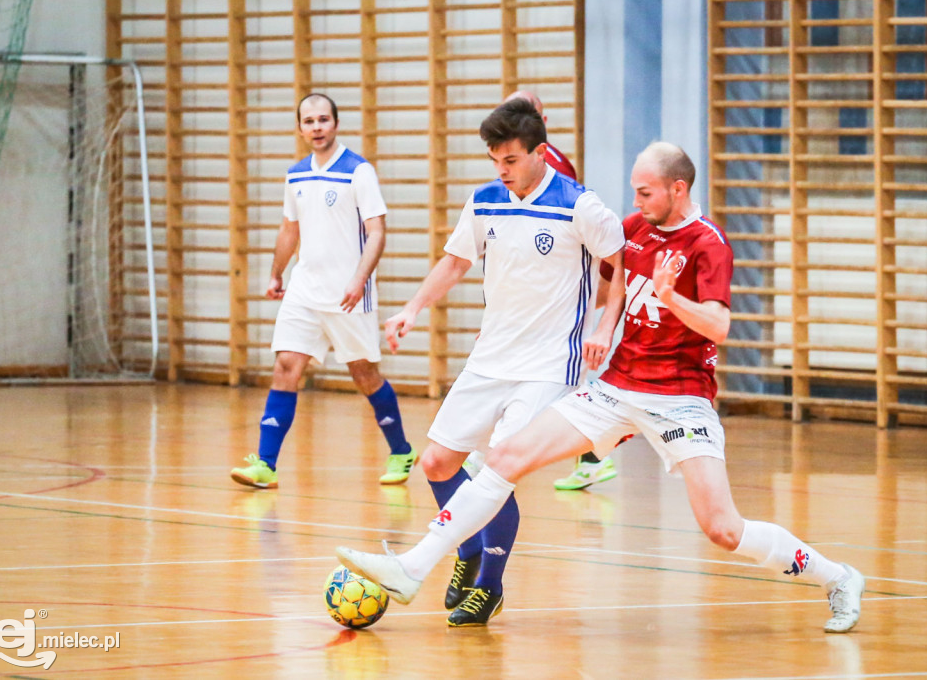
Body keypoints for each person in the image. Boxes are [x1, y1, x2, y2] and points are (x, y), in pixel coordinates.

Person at [336, 142, 866, 634]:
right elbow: (615, 284)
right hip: (616, 388)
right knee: (504, 458)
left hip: (680, 398)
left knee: (723, 529)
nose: (633, 200)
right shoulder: (635, 227)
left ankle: (837, 577)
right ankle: (412, 567)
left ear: (676, 189)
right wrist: (605, 326)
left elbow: (719, 327)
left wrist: (671, 298)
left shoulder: (709, 244)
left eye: (644, 190)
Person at [378, 97, 626, 626]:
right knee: (437, 463)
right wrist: (412, 308)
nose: (501, 170)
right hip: (490, 357)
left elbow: (619, 261)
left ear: (540, 154)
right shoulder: (487, 199)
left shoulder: (579, 205)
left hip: (546, 367)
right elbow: (456, 261)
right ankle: (466, 550)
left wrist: (605, 325)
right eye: (495, 161)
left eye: (510, 160)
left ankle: (489, 587)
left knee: (499, 467)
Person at [231, 93, 415, 489]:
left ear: (335, 123)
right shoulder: (295, 174)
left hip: (350, 294)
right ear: (299, 128)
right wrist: (276, 273)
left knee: (364, 374)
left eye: (323, 120)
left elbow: (378, 231)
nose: (316, 127)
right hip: (305, 290)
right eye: (309, 121)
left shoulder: (358, 172)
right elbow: (289, 229)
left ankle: (401, 450)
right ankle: (265, 464)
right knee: (285, 368)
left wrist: (359, 278)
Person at [503, 89, 620, 493]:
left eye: (525, 113)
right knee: (552, 372)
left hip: (566, 284)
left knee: (561, 371)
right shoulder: (514, 163)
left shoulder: (552, 166)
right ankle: (591, 458)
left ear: (542, 122)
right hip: (540, 288)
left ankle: (594, 453)